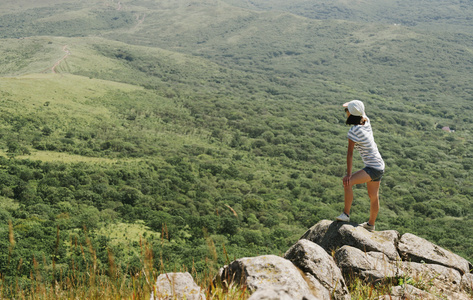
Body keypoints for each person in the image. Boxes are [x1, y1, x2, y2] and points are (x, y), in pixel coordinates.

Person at [335, 100, 385, 232]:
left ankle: (346, 214)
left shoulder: (353, 132)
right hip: (379, 166)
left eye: (347, 111)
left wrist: (348, 174)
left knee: (348, 183)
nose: (345, 112)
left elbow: (350, 154)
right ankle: (371, 225)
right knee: (373, 195)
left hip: (372, 167)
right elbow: (361, 112)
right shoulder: (366, 122)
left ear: (350, 114)